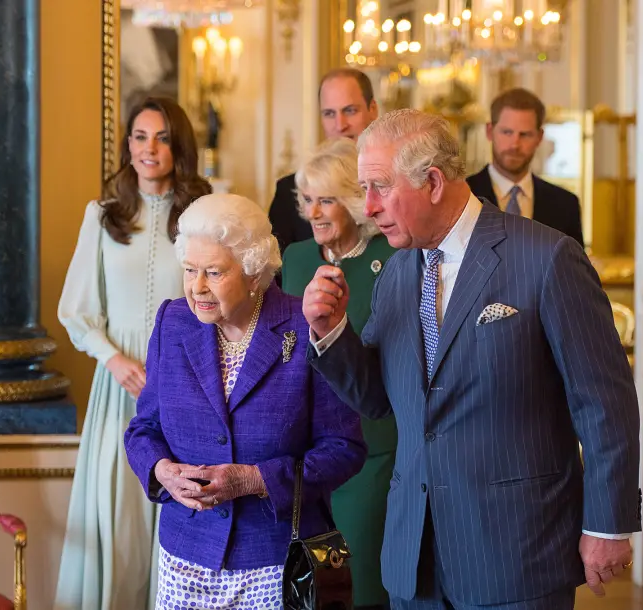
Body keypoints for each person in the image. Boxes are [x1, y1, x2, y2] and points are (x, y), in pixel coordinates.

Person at [302, 109, 641, 610]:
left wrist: (606, 524)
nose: (367, 207)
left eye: (379, 187)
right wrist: (331, 333)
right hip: (414, 557)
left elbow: (604, 404)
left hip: (517, 554)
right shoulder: (397, 272)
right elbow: (377, 399)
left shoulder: (547, 259)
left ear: (433, 182)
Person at [124, 193, 367, 610]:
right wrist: (162, 470)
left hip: (275, 561)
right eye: (190, 270)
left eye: (213, 273)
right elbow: (143, 429)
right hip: (186, 558)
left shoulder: (303, 324)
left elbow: (345, 449)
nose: (196, 287)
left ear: (254, 274)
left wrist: (254, 480)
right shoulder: (172, 320)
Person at [55, 96, 212, 610]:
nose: (150, 148)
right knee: (119, 522)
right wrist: (113, 360)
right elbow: (77, 308)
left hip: (185, 391)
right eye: (141, 137)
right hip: (118, 390)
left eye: (163, 138)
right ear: (127, 144)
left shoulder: (202, 215)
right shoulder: (102, 215)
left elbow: (215, 302)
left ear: (178, 146)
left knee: (174, 518)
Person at [281, 138, 398, 610]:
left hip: (372, 447)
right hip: (305, 455)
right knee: (310, 587)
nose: (314, 212)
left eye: (326, 199)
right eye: (307, 199)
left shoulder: (392, 258)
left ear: (354, 199)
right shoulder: (295, 258)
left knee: (364, 586)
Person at [268, 68, 379, 256]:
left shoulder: (394, 185)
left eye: (350, 110)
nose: (340, 125)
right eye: (329, 113)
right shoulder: (289, 192)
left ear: (373, 110)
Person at [465, 87, 584, 246]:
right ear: (489, 131)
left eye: (525, 134)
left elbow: (572, 269)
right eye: (507, 132)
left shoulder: (565, 204)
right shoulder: (464, 195)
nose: (515, 144)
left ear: (539, 137)